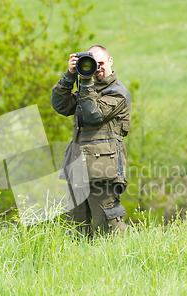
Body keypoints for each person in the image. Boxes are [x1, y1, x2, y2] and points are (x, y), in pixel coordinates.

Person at [51, 45, 132, 237]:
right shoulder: (87, 91)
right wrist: (70, 76)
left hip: (103, 169)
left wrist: (85, 82)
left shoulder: (118, 92)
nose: (97, 69)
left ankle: (120, 262)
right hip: (77, 166)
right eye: (93, 65)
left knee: (108, 225)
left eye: (100, 63)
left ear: (110, 61)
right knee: (76, 227)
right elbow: (60, 105)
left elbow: (93, 115)